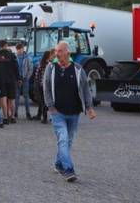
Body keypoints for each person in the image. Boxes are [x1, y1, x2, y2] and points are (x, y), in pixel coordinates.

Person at [44, 41, 97, 183]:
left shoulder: (79, 69)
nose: (57, 54)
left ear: (68, 53)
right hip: (57, 112)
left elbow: (86, 90)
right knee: (63, 138)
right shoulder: (51, 68)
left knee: (68, 141)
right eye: (56, 51)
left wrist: (90, 107)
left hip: (74, 113)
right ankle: (68, 170)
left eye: (60, 51)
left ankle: (58, 163)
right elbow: (46, 88)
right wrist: (50, 107)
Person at [0, 41, 20, 125]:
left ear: (0, 46)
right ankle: (13, 117)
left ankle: (5, 117)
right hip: (11, 80)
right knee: (12, 99)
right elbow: (16, 68)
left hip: (1, 80)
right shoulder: (12, 55)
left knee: (3, 99)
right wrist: (18, 78)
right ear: (6, 46)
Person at [33, 50, 53, 123]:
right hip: (45, 86)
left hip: (39, 85)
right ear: (48, 56)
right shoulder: (50, 65)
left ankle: (39, 115)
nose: (52, 56)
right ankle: (44, 118)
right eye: (50, 55)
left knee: (41, 101)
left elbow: (36, 75)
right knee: (44, 102)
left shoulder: (40, 63)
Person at [15, 43, 33, 120]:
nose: (19, 51)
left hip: (25, 79)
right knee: (16, 97)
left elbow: (30, 69)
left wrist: (27, 77)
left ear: (23, 49)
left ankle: (28, 113)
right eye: (18, 50)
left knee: (26, 97)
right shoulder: (15, 58)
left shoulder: (28, 58)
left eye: (20, 49)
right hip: (17, 80)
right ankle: (15, 113)